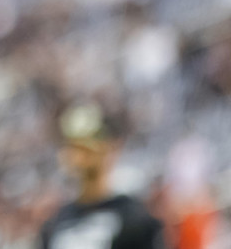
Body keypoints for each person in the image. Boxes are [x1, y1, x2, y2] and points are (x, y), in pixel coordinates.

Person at [40, 103, 166, 249]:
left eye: (85, 149)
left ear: (110, 147)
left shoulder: (133, 219)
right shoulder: (56, 223)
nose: (78, 158)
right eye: (73, 147)